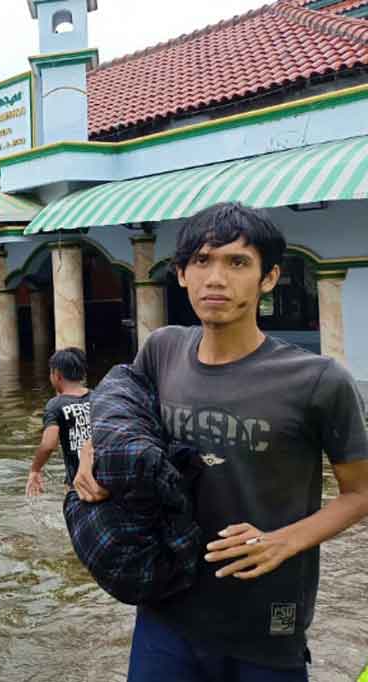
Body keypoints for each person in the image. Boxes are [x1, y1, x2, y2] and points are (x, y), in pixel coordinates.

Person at [74, 203, 368, 681]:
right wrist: (91, 454)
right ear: (183, 274)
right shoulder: (163, 348)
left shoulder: (318, 381)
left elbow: (359, 493)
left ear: (268, 278)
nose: (217, 278)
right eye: (203, 261)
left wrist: (283, 542)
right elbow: (115, 410)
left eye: (238, 263)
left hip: (265, 621)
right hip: (166, 608)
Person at [25, 347, 91, 496]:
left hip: (77, 484)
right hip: (104, 478)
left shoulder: (55, 405)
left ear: (57, 375)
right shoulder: (98, 397)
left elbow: (49, 444)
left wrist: (35, 470)